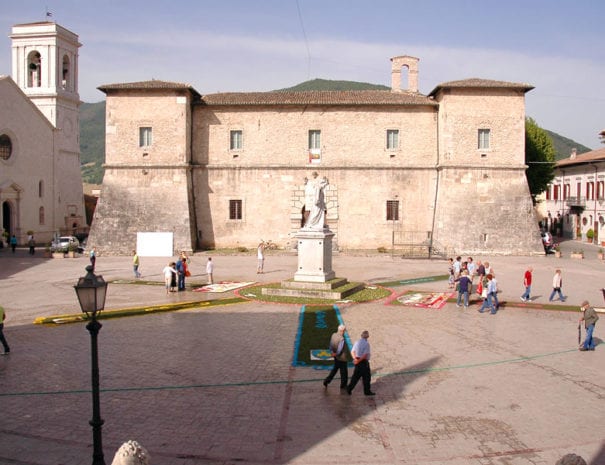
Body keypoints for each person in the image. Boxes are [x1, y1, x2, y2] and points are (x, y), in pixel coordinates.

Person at [346, 330, 375, 396]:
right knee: (367, 377)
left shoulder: (357, 342)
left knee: (355, 376)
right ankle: (367, 391)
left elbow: (352, 351)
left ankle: (349, 388)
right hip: (363, 362)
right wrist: (358, 361)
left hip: (357, 360)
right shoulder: (366, 344)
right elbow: (364, 355)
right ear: (367, 336)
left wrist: (355, 359)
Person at [323, 325, 348, 390]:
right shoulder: (341, 339)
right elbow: (340, 349)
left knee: (334, 370)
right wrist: (336, 354)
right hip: (342, 358)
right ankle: (343, 385)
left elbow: (331, 345)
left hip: (336, 357)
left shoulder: (333, 335)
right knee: (344, 372)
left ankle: (327, 380)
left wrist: (332, 352)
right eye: (344, 330)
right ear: (342, 331)